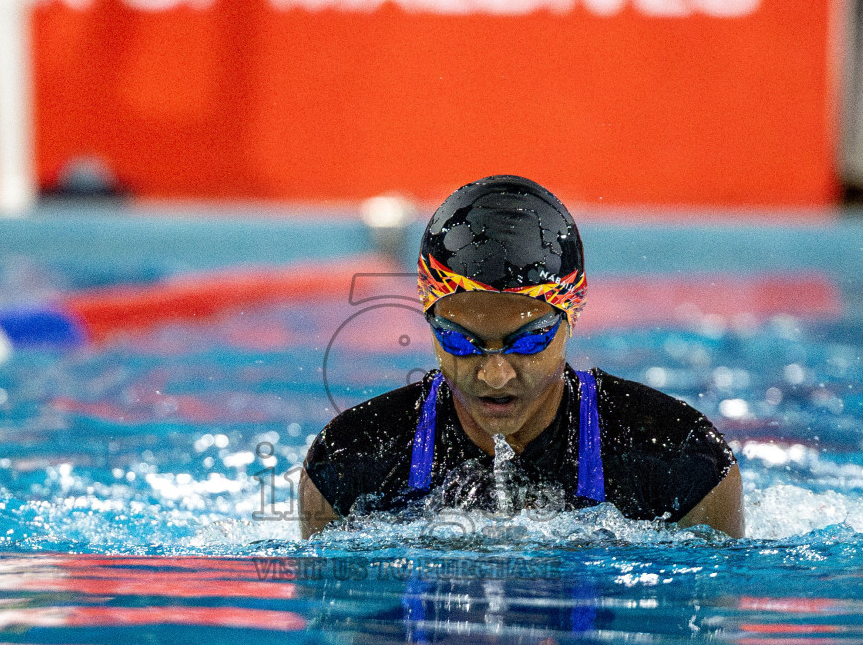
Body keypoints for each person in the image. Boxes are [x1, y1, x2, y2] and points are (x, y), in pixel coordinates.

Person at [298, 175, 743, 539]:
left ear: (572, 315)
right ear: (427, 319)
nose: (494, 375)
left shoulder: (682, 464)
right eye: (460, 342)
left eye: (528, 342)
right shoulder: (349, 465)